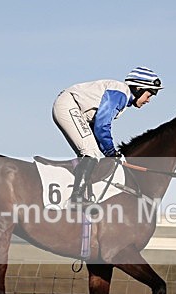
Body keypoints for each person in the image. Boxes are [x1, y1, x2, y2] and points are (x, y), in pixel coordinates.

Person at [52, 66, 164, 203]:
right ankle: (76, 198)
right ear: (139, 89)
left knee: (91, 154)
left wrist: (109, 152)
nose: (148, 100)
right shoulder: (120, 94)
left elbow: (98, 127)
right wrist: (112, 152)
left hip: (74, 108)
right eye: (149, 94)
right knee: (91, 152)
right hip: (69, 105)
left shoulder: (122, 95)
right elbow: (101, 126)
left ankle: (79, 193)